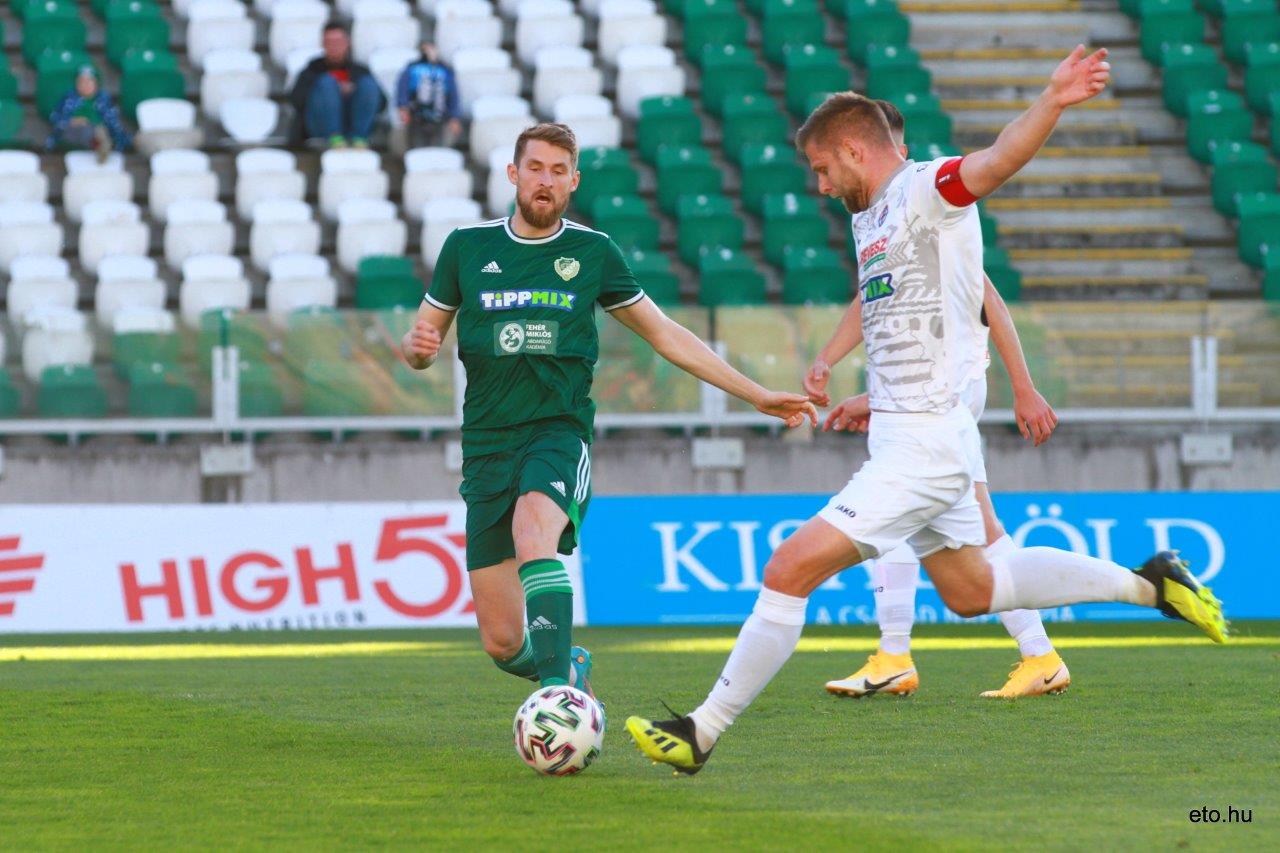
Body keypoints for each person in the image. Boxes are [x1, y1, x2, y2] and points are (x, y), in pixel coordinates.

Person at [626, 47, 1228, 776]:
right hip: (908, 433)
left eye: (822, 169)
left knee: (788, 568)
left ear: (855, 149)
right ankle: (1153, 583)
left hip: (926, 446)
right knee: (974, 589)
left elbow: (997, 161)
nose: (819, 186)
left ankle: (702, 729)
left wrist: (1052, 100)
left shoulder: (927, 188)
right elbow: (901, 319)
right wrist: (870, 397)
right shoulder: (872, 219)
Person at [400, 123, 816, 704]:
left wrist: (756, 394)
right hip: (486, 445)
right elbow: (423, 341)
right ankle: (567, 668)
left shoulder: (592, 252)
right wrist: (417, 350)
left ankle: (558, 701)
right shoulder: (466, 248)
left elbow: (665, 334)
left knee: (532, 531)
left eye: (558, 171)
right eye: (536, 168)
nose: (546, 181)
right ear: (514, 174)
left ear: (574, 181)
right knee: (502, 642)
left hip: (556, 432)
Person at [810, 99, 1069, 700]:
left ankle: (895, 655)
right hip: (928, 393)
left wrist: (1024, 387)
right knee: (980, 529)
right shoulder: (873, 218)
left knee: (897, 510)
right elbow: (876, 298)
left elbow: (988, 301)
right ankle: (1039, 653)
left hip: (951, 390)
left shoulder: (926, 200)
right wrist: (838, 365)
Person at [289, 22, 386, 148]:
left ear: (347, 43)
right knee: (327, 83)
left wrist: (353, 91)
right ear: (323, 44)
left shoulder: (361, 71)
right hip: (319, 126)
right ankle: (335, 138)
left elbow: (382, 103)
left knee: (367, 84)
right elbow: (296, 101)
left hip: (352, 123)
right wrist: (334, 90)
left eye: (338, 42)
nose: (334, 46)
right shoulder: (311, 70)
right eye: (330, 42)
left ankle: (359, 139)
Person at [45, 66, 131, 160]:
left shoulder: (103, 99)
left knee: (99, 131)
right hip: (72, 133)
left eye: (89, 81)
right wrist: (71, 121)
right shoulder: (68, 98)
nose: (85, 85)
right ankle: (98, 144)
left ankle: (100, 144)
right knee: (85, 130)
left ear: (96, 84)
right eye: (81, 82)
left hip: (99, 130)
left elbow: (113, 123)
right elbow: (54, 118)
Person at [396, 43, 462, 149]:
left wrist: (454, 117)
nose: (429, 52)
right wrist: (403, 107)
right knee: (417, 147)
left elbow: (453, 95)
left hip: (440, 118)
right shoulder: (412, 68)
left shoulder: (445, 70)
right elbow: (403, 89)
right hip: (416, 118)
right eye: (426, 49)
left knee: (439, 148)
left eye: (431, 48)